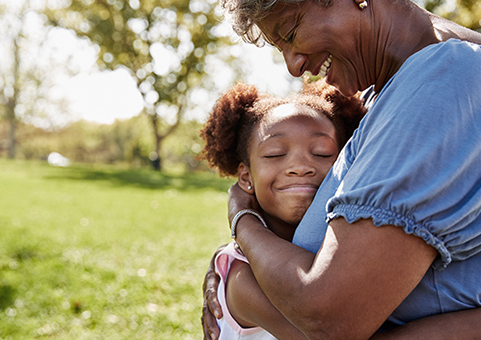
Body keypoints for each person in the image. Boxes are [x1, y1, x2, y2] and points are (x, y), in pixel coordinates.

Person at [202, 0, 481, 339]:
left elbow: (330, 319)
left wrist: (242, 222)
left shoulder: (442, 80)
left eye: (291, 33)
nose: (293, 66)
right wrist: (235, 262)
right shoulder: (379, 95)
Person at [200, 80, 365, 339]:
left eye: (322, 153)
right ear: (245, 177)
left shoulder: (344, 243)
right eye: (275, 154)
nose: (300, 166)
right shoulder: (242, 276)